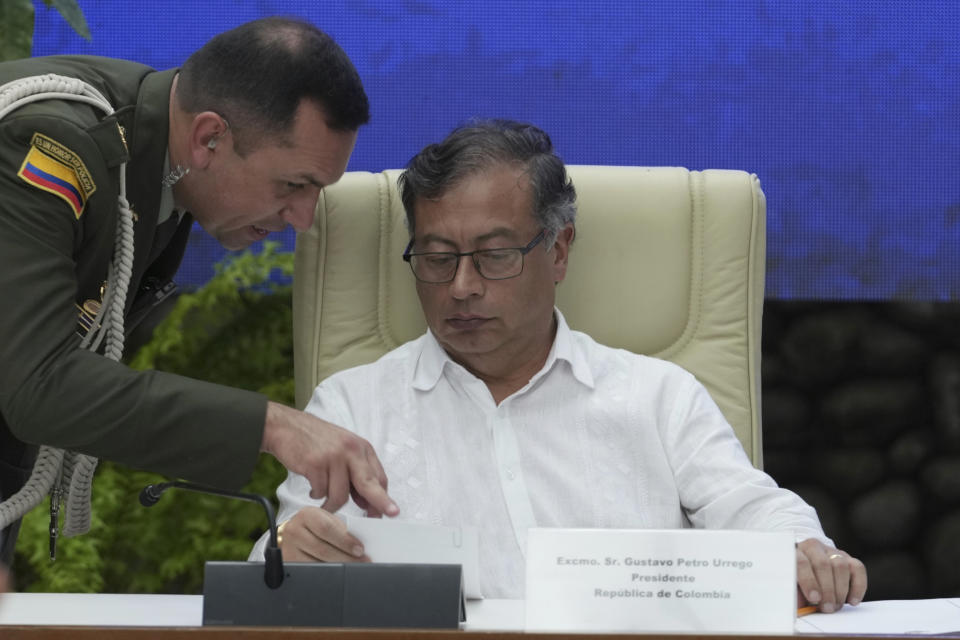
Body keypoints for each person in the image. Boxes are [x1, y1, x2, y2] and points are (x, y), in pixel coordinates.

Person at [250, 120, 868, 612]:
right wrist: (285, 551)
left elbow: (752, 507)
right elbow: (276, 562)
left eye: (494, 256)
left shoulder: (658, 396)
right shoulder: (354, 407)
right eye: (437, 258)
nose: (461, 287)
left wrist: (804, 551)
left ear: (560, 249)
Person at [0, 17, 397, 565]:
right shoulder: (50, 143)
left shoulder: (153, 158)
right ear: (209, 137)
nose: (303, 218)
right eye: (292, 185)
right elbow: (39, 384)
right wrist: (274, 425)